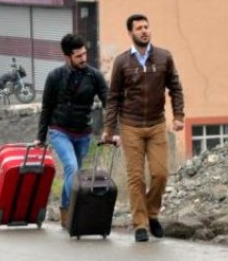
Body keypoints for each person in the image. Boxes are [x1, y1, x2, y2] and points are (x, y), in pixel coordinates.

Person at [103, 14, 185, 242]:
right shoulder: (122, 62)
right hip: (130, 126)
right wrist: (110, 129)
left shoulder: (164, 57)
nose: (144, 31)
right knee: (136, 178)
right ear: (130, 33)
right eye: (139, 28)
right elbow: (114, 98)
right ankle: (140, 224)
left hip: (157, 124)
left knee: (160, 174)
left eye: (147, 27)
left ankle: (151, 213)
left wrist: (178, 115)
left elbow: (175, 88)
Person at [33, 34, 108, 228]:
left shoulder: (94, 76)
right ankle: (76, 210)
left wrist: (112, 129)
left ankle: (65, 209)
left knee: (74, 174)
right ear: (67, 57)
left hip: (83, 133)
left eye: (84, 54)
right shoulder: (55, 77)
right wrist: (40, 138)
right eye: (78, 56)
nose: (84, 59)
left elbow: (109, 103)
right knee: (72, 169)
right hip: (60, 131)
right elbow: (47, 108)